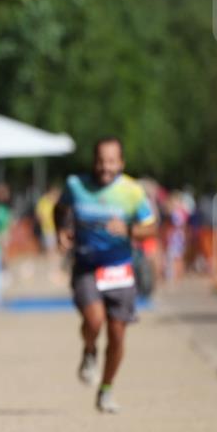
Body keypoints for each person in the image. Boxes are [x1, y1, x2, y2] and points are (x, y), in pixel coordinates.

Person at [53, 137, 157, 413]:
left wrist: (129, 231)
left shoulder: (133, 192)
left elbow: (152, 227)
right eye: (100, 161)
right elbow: (60, 209)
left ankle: (106, 390)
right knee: (94, 320)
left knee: (117, 335)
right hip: (86, 266)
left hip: (120, 268)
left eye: (111, 161)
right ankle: (89, 352)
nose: (105, 167)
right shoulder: (76, 185)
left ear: (121, 163)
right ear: (93, 161)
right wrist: (61, 230)